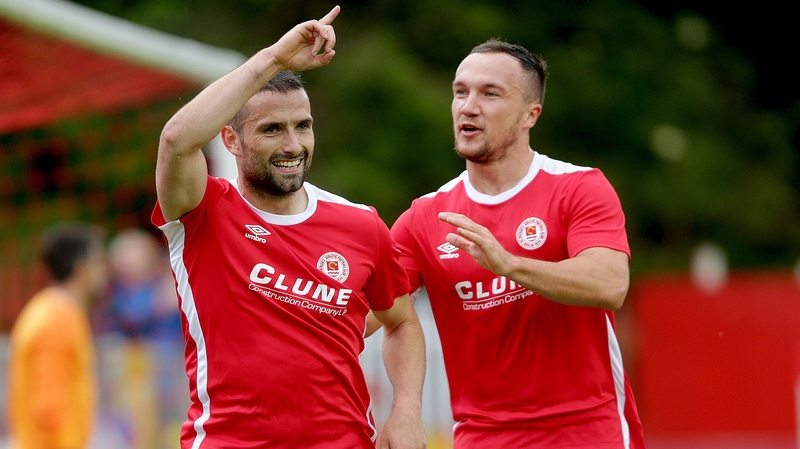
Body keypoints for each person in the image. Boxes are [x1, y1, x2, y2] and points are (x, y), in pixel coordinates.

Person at [150, 6, 426, 449]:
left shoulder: (361, 224)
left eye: (303, 126)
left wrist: (407, 411)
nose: (293, 145)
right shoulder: (202, 211)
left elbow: (402, 322)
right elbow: (176, 140)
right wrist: (275, 59)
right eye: (272, 129)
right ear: (231, 140)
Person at [390, 40, 646, 448]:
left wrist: (508, 264)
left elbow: (610, 284)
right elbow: (370, 314)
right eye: (460, 91)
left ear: (531, 114)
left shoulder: (577, 187)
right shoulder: (425, 216)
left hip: (587, 429)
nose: (468, 106)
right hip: (483, 435)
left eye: (490, 93)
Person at [7, 222, 107, 449]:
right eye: (100, 262)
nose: (105, 272)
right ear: (82, 268)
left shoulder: (60, 313)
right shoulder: (55, 321)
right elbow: (49, 409)